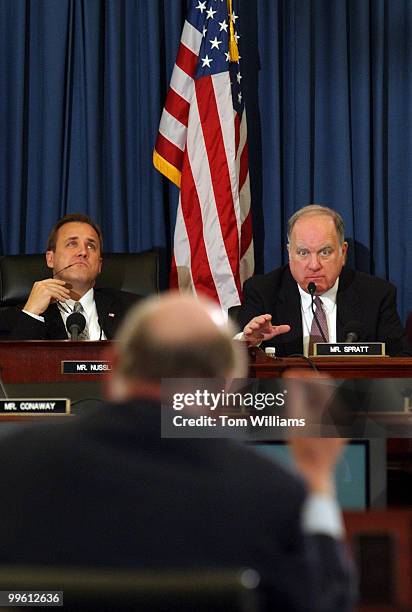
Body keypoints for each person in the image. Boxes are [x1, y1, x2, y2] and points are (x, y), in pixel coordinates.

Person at [0, 293, 354, 611]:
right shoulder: (272, 493)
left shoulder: (12, 464)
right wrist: (318, 481)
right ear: (225, 386)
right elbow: (324, 600)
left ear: (113, 367)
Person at [237, 204, 409, 356]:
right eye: (303, 253)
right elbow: (230, 363)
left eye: (325, 252)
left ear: (343, 253)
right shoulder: (262, 291)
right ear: (290, 253)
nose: (314, 265)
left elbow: (400, 361)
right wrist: (247, 342)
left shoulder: (376, 295)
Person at [7, 213, 140, 340]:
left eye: (91, 246)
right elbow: (12, 362)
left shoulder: (135, 312)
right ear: (50, 259)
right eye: (72, 244)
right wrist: (31, 314)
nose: (83, 252)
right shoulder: (15, 318)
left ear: (99, 265)